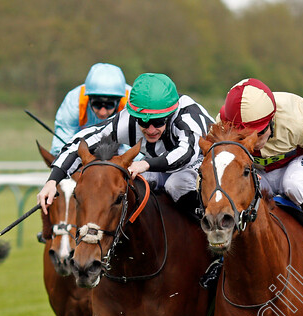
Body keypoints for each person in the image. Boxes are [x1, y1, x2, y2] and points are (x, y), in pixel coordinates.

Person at [216, 78, 303, 284]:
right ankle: (221, 261)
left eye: (258, 133)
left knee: (295, 185)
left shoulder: (299, 117)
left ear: (272, 120)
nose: (253, 143)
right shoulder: (223, 125)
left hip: (294, 164)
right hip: (256, 172)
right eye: (243, 136)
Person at [38, 72, 212, 221]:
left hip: (203, 162)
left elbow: (187, 152)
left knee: (176, 184)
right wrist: (53, 181)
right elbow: (80, 142)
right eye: (144, 122)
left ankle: (211, 230)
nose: (150, 130)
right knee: (133, 186)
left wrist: (146, 164)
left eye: (158, 122)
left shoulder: (186, 117)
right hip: (160, 163)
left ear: (170, 114)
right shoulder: (126, 121)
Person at [50, 63, 132, 155]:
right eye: (97, 104)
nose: (102, 112)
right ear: (89, 99)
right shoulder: (74, 101)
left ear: (118, 101)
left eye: (109, 105)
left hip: (119, 147)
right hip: (81, 148)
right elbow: (62, 143)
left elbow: (134, 145)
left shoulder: (132, 102)